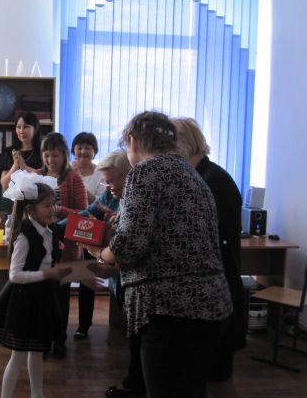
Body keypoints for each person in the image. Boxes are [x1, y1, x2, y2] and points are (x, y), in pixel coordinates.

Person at [92, 111, 233, 398]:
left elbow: (130, 244)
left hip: (170, 310)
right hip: (211, 306)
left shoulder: (144, 171)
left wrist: (102, 256)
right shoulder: (193, 175)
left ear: (133, 142)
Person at [0, 170, 72, 398]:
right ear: (30, 210)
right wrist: (48, 274)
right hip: (24, 299)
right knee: (19, 355)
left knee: (37, 351)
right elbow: (15, 275)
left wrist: (61, 272)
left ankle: (37, 395)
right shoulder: (24, 235)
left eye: (53, 204)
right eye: (47, 206)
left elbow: (50, 261)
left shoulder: (50, 231)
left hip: (43, 297)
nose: (53, 210)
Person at [173, 117, 246, 398]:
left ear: (181, 146)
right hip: (213, 294)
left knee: (217, 380)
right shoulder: (204, 176)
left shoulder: (211, 181)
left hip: (218, 295)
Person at [72, 149, 130, 342]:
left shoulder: (136, 203)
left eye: (111, 181)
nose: (108, 187)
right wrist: (58, 227)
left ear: (126, 176)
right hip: (115, 269)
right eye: (106, 181)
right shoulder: (109, 195)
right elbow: (87, 213)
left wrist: (95, 251)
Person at [41, 132, 88, 358]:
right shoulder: (38, 177)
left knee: (61, 297)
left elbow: (84, 213)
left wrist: (60, 211)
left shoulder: (74, 178)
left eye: (55, 155)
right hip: (42, 245)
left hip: (66, 245)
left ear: (64, 155)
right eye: (46, 155)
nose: (50, 160)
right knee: (43, 296)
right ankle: (43, 340)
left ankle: (59, 341)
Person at [0, 111, 43, 191]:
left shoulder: (43, 152)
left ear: (35, 128)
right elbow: (4, 185)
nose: (21, 131)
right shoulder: (9, 152)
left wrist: (24, 167)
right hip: (16, 197)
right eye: (18, 127)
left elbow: (46, 180)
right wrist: (15, 165)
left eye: (26, 127)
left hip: (39, 196)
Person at [70, 132, 105, 204]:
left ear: (94, 151)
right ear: (73, 151)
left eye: (87, 148)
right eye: (79, 148)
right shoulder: (67, 169)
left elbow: (102, 202)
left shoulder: (101, 174)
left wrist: (81, 189)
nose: (83, 152)